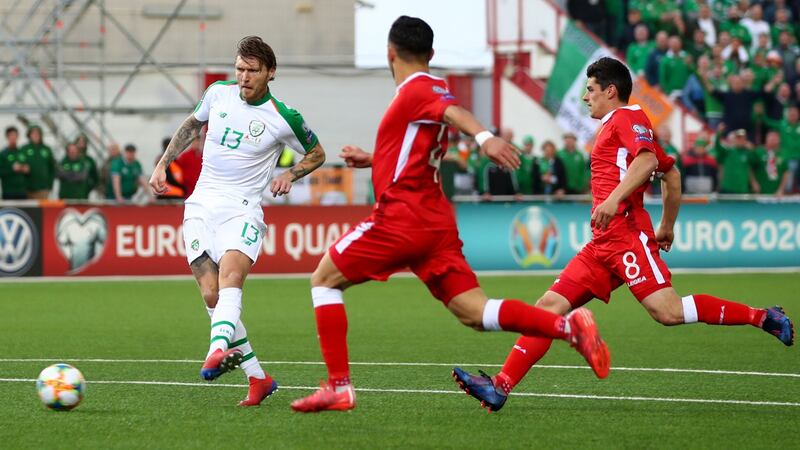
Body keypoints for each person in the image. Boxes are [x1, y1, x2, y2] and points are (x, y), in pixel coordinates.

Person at [289, 16, 610, 414]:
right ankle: (568, 327)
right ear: (432, 53)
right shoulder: (430, 86)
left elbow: (451, 113)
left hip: (401, 217)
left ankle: (339, 386)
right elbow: (421, 146)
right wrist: (375, 159)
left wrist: (485, 137)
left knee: (323, 280)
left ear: (390, 53)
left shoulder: (417, 89)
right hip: (434, 223)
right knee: (475, 312)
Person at [452, 57, 794, 412]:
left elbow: (647, 162)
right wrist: (666, 226)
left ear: (610, 91)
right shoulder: (618, 126)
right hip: (602, 244)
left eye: (590, 90)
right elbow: (671, 175)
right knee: (548, 308)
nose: (586, 97)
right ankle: (500, 386)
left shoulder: (628, 118)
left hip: (626, 237)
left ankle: (763, 317)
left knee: (668, 312)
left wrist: (616, 201)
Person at [149, 36, 326, 406]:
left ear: (270, 73)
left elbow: (317, 152)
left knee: (230, 278)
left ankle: (216, 351)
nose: (244, 77)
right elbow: (190, 126)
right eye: (240, 69)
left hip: (242, 209)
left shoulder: (283, 117)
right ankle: (258, 378)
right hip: (199, 207)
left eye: (252, 71)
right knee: (212, 295)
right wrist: (163, 163)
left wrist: (290, 175)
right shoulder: (217, 94)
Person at [21, 125, 55, 199]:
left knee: (42, 209)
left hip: (43, 189)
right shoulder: (24, 149)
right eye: (33, 133)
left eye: (38, 133)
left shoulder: (47, 149)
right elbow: (19, 164)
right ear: (29, 135)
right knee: (28, 210)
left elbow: (52, 168)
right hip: (27, 189)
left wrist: (50, 185)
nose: (35, 135)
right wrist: (23, 167)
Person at [0, 126, 29, 200]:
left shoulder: (22, 152)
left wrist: (26, 170)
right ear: (7, 137)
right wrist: (11, 169)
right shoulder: (3, 154)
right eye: (11, 135)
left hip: (22, 192)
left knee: (21, 211)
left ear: (18, 137)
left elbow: (27, 169)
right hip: (9, 192)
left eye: (15, 135)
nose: (13, 138)